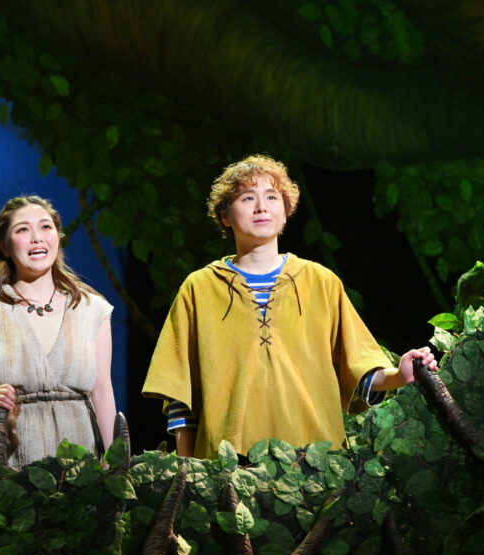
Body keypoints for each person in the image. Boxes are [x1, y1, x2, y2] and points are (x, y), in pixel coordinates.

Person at [143, 154, 436, 459]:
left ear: (285, 213)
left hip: (314, 464)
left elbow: (358, 371)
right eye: (247, 197)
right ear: (225, 215)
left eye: (272, 197)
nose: (261, 206)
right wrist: (189, 472)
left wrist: (399, 375)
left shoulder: (321, 282)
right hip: (228, 467)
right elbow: (181, 399)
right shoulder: (198, 289)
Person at [0, 195, 116, 469]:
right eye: (23, 230)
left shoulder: (91, 309)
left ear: (58, 237)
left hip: (81, 462)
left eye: (45, 227)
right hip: (11, 459)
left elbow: (102, 391)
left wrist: (114, 464)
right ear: (4, 245)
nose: (37, 237)